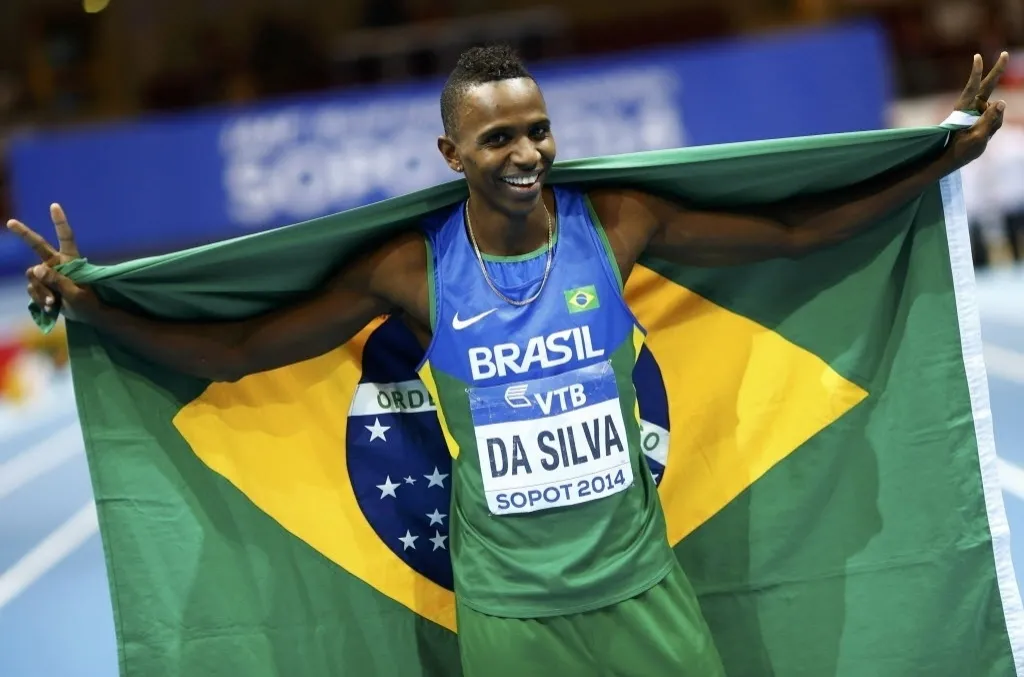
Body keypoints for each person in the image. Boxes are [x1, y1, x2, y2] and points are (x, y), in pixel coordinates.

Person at [7, 45, 1009, 676]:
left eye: (536, 129)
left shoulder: (614, 223)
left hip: (640, 590)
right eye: (497, 138)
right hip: (510, 616)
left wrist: (934, 160)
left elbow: (790, 233)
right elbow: (234, 347)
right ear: (453, 155)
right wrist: (94, 303)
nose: (526, 151)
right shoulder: (411, 270)